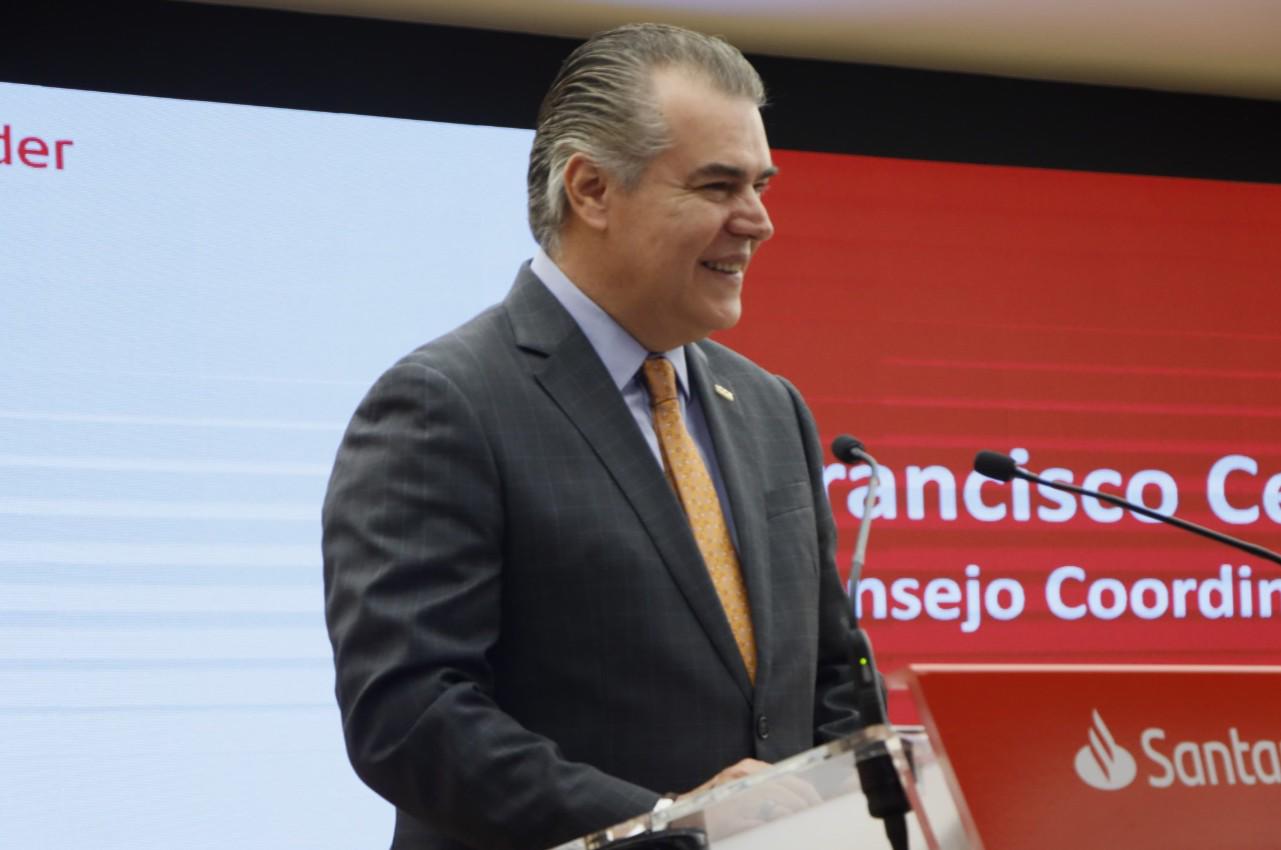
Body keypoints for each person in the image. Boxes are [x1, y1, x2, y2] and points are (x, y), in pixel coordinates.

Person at [322, 22, 862, 850]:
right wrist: (665, 827)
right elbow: (410, 719)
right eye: (717, 186)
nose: (757, 221)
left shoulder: (769, 407)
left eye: (760, 185)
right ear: (591, 190)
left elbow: (832, 671)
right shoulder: (445, 402)